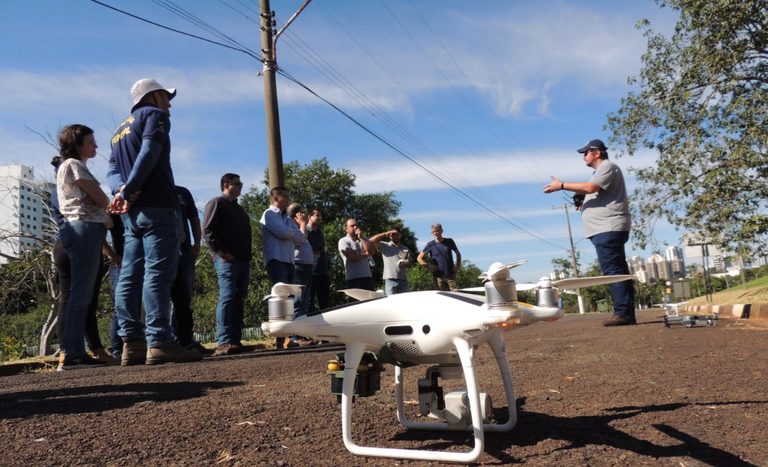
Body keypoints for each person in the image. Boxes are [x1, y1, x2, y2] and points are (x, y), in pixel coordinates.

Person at [107, 78, 202, 365]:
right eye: (166, 96)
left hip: (133, 213)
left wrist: (120, 190)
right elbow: (150, 150)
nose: (169, 103)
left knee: (129, 275)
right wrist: (132, 186)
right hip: (159, 205)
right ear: (155, 96)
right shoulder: (155, 115)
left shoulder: (118, 131)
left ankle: (131, 343)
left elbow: (111, 168)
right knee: (157, 273)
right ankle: (159, 341)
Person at [543, 138, 636, 326]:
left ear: (597, 152)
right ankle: (625, 312)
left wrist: (561, 185)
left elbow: (591, 188)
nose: (583, 156)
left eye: (585, 152)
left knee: (612, 271)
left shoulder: (607, 167)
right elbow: (592, 191)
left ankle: (623, 314)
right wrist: (582, 200)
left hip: (608, 228)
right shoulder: (600, 172)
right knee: (618, 271)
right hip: (606, 228)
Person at [55, 125, 112, 370]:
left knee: (76, 293)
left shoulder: (66, 167)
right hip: (83, 229)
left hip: (75, 229)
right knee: (82, 293)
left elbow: (96, 200)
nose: (96, 147)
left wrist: (95, 201)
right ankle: (74, 353)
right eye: (91, 142)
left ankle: (70, 351)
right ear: (78, 145)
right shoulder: (74, 165)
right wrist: (98, 201)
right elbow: (102, 200)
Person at [203, 174, 252, 356]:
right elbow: (207, 230)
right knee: (228, 297)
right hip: (227, 261)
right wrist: (221, 253)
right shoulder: (217, 203)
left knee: (239, 299)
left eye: (241, 183)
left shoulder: (239, 209)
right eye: (238, 183)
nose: (241, 186)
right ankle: (223, 341)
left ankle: (234, 340)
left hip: (243, 260)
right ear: (226, 185)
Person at [260, 187, 306, 349]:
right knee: (280, 298)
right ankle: (280, 338)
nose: (287, 199)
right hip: (275, 259)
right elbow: (282, 233)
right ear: (275, 198)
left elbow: (301, 239)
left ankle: (288, 336)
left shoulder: (286, 219)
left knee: (290, 299)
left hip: (288, 261)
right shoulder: (269, 214)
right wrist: (292, 233)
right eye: (284, 196)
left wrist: (291, 233)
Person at [171, 185, 206, 353]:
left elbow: (194, 218)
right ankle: (166, 340)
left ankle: (185, 340)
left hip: (184, 253)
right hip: (161, 252)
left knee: (184, 298)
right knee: (161, 298)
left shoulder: (182, 192)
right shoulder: (149, 187)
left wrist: (197, 244)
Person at [417, 223, 461, 292]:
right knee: (443, 297)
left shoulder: (449, 241)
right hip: (438, 277)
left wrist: (457, 266)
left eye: (437, 231)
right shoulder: (430, 244)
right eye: (433, 232)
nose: (435, 233)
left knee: (456, 295)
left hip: (450, 275)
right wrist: (428, 266)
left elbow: (458, 254)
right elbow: (419, 258)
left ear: (441, 231)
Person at [369, 227, 412, 295]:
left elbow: (410, 265)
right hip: (390, 280)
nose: (395, 236)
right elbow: (370, 241)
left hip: (403, 280)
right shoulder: (385, 245)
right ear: (389, 235)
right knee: (391, 302)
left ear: (401, 235)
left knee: (404, 303)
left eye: (397, 234)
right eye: (392, 234)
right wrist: (385, 234)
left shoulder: (405, 248)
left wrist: (406, 263)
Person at [338, 218, 376, 291]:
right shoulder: (343, 241)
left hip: (368, 277)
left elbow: (371, 251)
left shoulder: (362, 240)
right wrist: (366, 254)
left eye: (356, 225)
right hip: (354, 279)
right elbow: (352, 257)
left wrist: (361, 237)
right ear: (346, 229)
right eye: (352, 226)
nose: (355, 227)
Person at [306, 209, 330, 311]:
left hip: (322, 271)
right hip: (310, 272)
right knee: (309, 301)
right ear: (309, 217)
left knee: (325, 303)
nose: (320, 218)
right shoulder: (304, 231)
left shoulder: (320, 233)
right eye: (317, 216)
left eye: (320, 216)